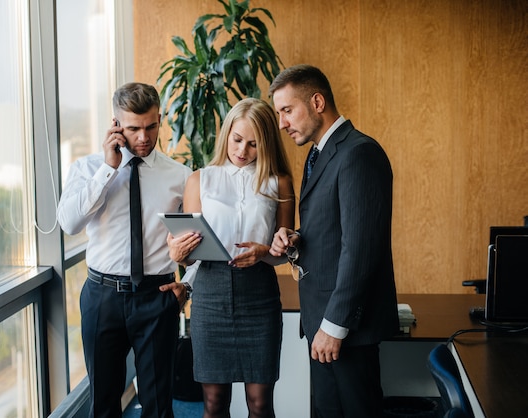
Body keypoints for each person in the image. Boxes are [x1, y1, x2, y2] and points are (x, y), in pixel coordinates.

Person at [268, 64, 399, 418]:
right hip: (322, 323)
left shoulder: (359, 153)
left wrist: (334, 326)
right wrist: (295, 239)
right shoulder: (319, 153)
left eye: (287, 110)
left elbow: (361, 249)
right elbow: (334, 232)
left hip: (344, 328)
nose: (282, 123)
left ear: (317, 101)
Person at [57, 82, 192, 418]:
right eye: (133, 128)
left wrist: (187, 287)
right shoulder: (87, 169)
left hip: (156, 296)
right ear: (115, 125)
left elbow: (197, 240)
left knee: (159, 405)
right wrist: (108, 170)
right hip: (102, 297)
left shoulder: (180, 176)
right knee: (103, 402)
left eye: (151, 126)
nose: (144, 137)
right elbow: (69, 223)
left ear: (160, 119)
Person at [163, 97, 295, 418]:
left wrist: (267, 252)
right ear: (226, 135)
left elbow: (285, 251)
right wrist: (179, 254)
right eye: (237, 140)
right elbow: (191, 255)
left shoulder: (279, 183)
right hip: (210, 297)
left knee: (261, 406)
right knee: (214, 404)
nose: (242, 151)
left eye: (253, 144)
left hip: (259, 297)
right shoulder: (199, 180)